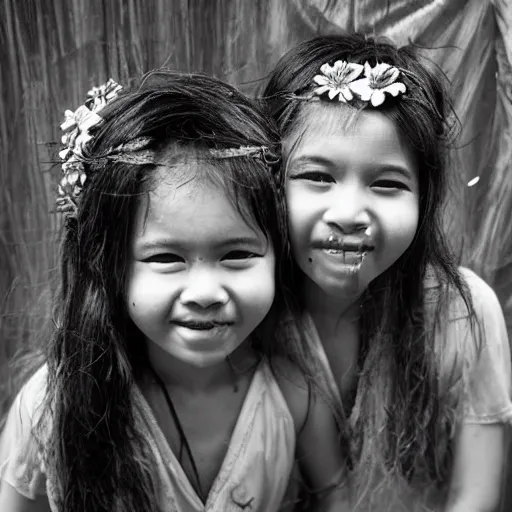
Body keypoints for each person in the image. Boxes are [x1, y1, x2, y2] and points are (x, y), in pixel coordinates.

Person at [0, 72, 345, 512]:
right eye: (165, 259)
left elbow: (339, 496)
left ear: (280, 256)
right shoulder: (52, 406)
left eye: (237, 254)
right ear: (109, 267)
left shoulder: (292, 394)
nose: (204, 292)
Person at [263, 33, 512, 512]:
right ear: (269, 180)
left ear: (425, 196)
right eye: (317, 176)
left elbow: (475, 494)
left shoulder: (464, 313)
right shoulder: (248, 314)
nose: (351, 212)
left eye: (388, 183)